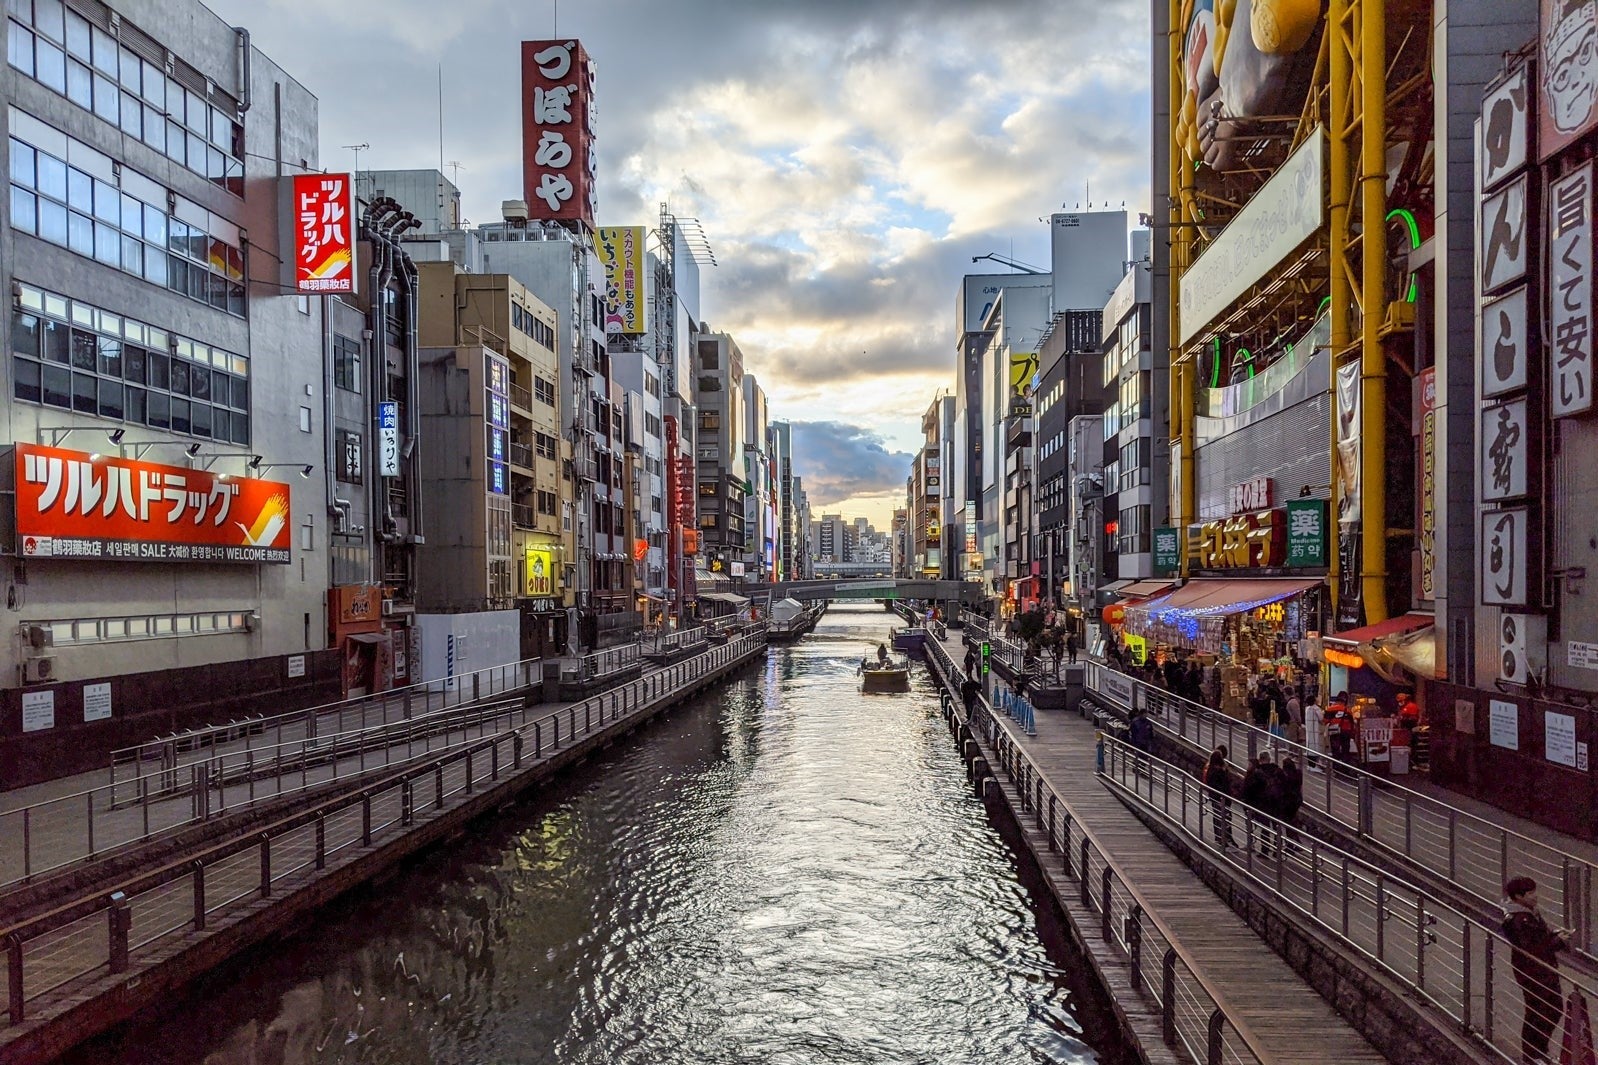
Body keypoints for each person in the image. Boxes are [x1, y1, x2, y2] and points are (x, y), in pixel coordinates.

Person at [1502, 876, 1570, 1065]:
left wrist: (1555, 935)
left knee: (1551, 1009)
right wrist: (1558, 942)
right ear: (1518, 896)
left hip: (1543, 969)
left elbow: (1539, 939)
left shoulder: (1529, 914)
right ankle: (1533, 1054)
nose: (1535, 896)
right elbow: (1533, 948)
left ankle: (1538, 1051)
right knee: (1539, 1011)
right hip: (1533, 972)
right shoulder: (1517, 919)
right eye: (1530, 893)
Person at [1240, 751, 1283, 856]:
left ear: (1260, 759)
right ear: (1269, 759)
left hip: (1263, 803)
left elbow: (1252, 789)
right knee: (1277, 827)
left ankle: (1265, 850)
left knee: (1265, 827)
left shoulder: (1257, 772)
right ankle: (1277, 850)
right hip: (1277, 802)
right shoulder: (1278, 771)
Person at [1203, 746, 1237, 848]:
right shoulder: (1220, 770)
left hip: (1216, 796)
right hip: (1222, 796)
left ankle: (1220, 837)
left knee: (1218, 816)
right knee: (1224, 816)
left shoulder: (1210, 769)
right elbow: (1224, 783)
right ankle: (1224, 837)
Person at [1277, 756, 1304, 854]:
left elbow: (1283, 787)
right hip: (1297, 800)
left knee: (1288, 823)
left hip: (1288, 802)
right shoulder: (1298, 773)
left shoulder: (1285, 776)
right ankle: (1296, 842)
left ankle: (1290, 845)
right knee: (1293, 822)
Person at [1327, 692, 1357, 766]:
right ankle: (1345, 767)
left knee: (1335, 750)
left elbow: (1325, 721)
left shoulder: (1330, 709)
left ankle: (1336, 767)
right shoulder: (1348, 710)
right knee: (1345, 750)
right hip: (1346, 732)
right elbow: (1352, 723)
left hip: (1334, 732)